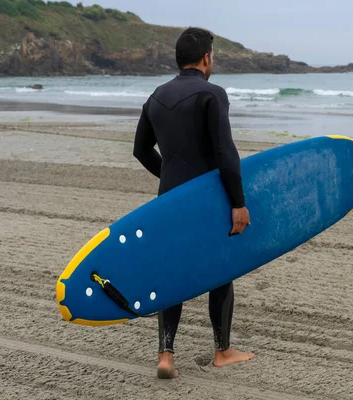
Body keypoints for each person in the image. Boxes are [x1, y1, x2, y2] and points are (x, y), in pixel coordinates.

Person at [133, 26, 254, 379]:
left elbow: (140, 150)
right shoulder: (212, 94)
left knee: (173, 271)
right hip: (210, 200)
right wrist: (238, 203)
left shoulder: (156, 96)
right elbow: (225, 153)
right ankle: (223, 351)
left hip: (169, 199)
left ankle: (166, 356)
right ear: (206, 57)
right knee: (221, 270)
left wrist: (170, 180)